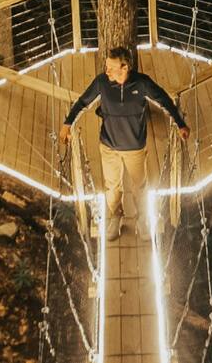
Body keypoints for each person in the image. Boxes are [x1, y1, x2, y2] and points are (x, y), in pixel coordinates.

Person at [60, 44, 190, 241]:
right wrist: (67, 123)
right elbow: (82, 102)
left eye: (112, 67)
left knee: (140, 186)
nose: (107, 71)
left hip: (134, 147)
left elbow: (164, 100)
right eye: (106, 66)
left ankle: (142, 218)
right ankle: (115, 216)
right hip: (108, 145)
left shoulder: (142, 83)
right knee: (112, 187)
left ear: (125, 67)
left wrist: (180, 124)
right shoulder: (102, 82)